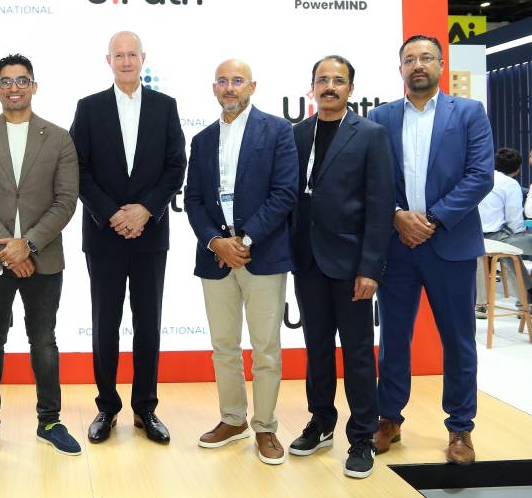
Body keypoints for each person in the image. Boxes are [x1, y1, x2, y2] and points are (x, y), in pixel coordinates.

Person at [368, 35, 494, 465]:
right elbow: (372, 179)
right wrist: (397, 215)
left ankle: (460, 427)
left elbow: (480, 175)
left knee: (458, 341)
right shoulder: (380, 117)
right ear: (400, 69)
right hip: (397, 245)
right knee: (393, 338)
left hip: (451, 245)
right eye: (409, 59)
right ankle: (389, 419)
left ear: (441, 65)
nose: (417, 64)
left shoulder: (469, 113)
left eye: (426, 57)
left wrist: (433, 219)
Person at [0, 53, 80, 459]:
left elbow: (65, 201)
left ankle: (50, 421)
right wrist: (9, 251)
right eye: (6, 81)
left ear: (34, 86)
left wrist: (28, 244)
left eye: (22, 80)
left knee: (44, 342)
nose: (14, 88)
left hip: (43, 259)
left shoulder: (59, 138)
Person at [69, 31, 186, 445]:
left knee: (148, 323)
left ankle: (145, 408)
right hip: (105, 234)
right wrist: (113, 213)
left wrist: (145, 209)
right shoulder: (89, 108)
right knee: (105, 324)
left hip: (150, 233)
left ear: (142, 58)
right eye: (118, 55)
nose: (125, 61)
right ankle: (107, 407)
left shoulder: (165, 106)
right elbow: (77, 169)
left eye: (131, 54)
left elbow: (176, 166)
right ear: (109, 60)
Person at [183, 59, 298, 465]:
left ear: (252, 86)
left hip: (261, 253)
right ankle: (233, 420)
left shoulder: (278, 131)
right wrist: (217, 242)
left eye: (237, 81)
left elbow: (285, 194)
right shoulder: (201, 140)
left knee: (265, 348)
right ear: (214, 88)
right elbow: (193, 200)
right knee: (224, 346)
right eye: (222, 81)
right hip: (216, 258)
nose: (229, 87)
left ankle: (265, 427)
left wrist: (245, 239)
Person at [288, 56, 395, 478]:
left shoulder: (371, 134)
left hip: (352, 265)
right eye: (323, 80)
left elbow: (380, 205)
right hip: (307, 261)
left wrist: (371, 268)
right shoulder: (297, 133)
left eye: (338, 80)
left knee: (357, 353)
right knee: (316, 348)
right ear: (311, 86)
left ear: (351, 88)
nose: (329, 86)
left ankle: (363, 436)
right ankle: (321, 422)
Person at [476, 147, 532, 314]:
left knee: (510, 251)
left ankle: (480, 303)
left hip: (473, 236)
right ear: (517, 169)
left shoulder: (480, 177)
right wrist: (520, 232)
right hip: (495, 237)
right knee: (513, 248)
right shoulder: (510, 184)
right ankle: (526, 299)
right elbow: (514, 219)